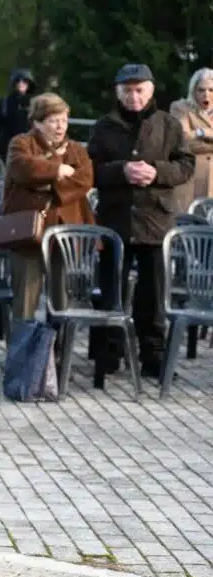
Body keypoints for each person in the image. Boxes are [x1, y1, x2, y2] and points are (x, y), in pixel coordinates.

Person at [88, 63, 194, 377]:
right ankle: (109, 355)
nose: (134, 97)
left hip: (155, 220)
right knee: (110, 290)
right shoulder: (104, 126)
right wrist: (121, 170)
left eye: (139, 90)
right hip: (115, 220)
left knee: (153, 295)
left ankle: (153, 358)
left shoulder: (169, 124)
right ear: (118, 92)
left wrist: (157, 172)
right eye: (127, 91)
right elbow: (90, 169)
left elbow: (185, 164)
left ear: (150, 91)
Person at [2, 92, 95, 321]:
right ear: (37, 122)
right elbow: (23, 169)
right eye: (53, 120)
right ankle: (23, 354)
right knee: (25, 300)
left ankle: (58, 352)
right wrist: (58, 171)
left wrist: (47, 186)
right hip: (28, 232)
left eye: (64, 120)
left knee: (62, 300)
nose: (60, 126)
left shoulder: (75, 149)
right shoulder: (21, 143)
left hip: (64, 232)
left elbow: (85, 179)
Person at [170, 68, 213, 213]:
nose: (206, 94)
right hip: (191, 178)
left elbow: (190, 136)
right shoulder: (180, 108)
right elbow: (181, 141)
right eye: (201, 90)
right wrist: (204, 132)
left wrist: (196, 134)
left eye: (211, 90)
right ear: (193, 90)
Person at [0, 68, 36, 160]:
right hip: (9, 149)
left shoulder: (36, 103)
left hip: (31, 149)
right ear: (14, 83)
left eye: (25, 81)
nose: (21, 83)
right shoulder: (5, 103)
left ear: (29, 84)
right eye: (18, 80)